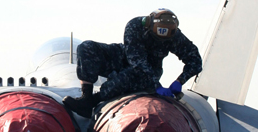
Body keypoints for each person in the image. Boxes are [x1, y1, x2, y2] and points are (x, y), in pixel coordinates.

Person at [63, 8, 202, 118]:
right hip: (126, 57)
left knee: (126, 78)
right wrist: (157, 85)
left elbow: (195, 60)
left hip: (150, 70)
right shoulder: (135, 26)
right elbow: (136, 61)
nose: (159, 42)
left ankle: (94, 101)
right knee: (87, 47)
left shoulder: (174, 36)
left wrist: (180, 81)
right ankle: (86, 97)